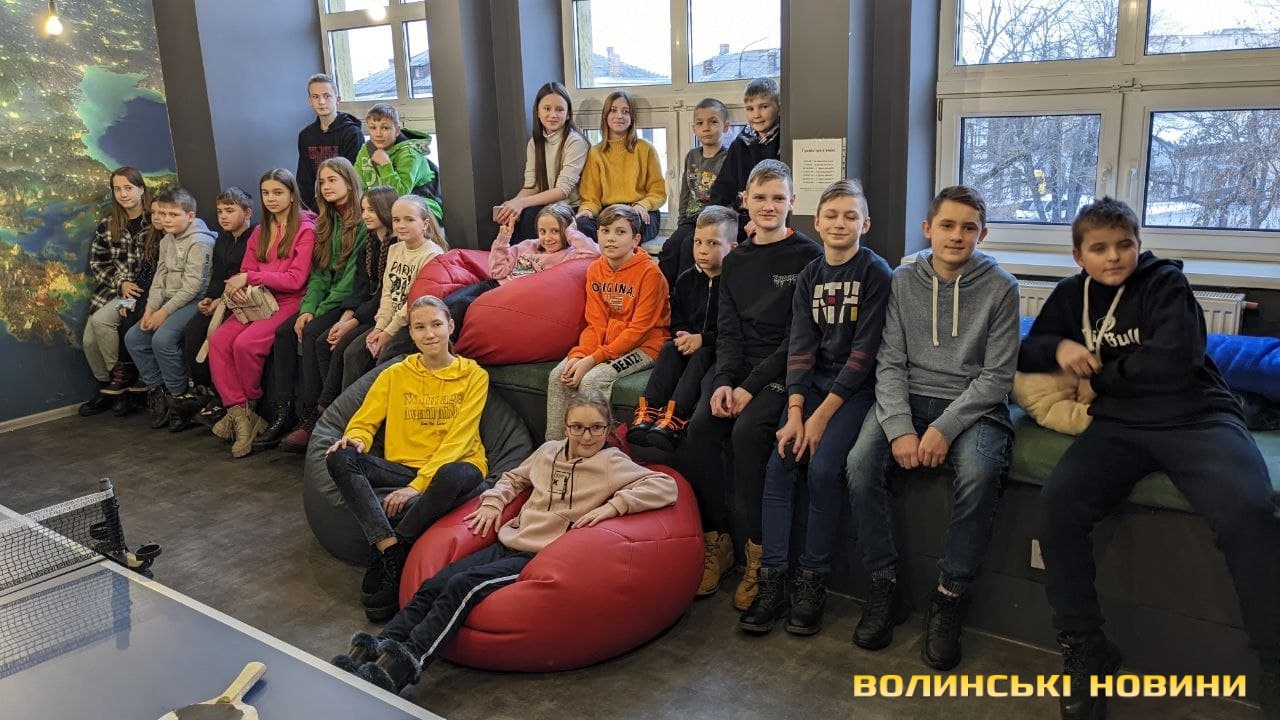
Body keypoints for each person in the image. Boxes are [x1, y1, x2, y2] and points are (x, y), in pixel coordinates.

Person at [1018, 197, 1280, 720]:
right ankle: (1085, 645)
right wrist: (1060, 350)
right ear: (1079, 256)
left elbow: (1174, 363)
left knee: (1249, 511)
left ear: (1139, 245)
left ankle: (1273, 659)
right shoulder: (1072, 295)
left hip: (1195, 416)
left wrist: (1102, 380)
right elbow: (1029, 350)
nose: (1114, 256)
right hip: (1119, 426)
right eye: (1099, 248)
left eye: (1125, 245)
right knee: (1059, 506)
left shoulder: (1166, 285)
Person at [330, 389, 677, 694]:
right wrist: (494, 502)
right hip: (509, 540)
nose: (587, 436)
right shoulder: (548, 452)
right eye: (578, 427)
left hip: (539, 556)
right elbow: (513, 478)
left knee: (463, 586)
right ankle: (377, 646)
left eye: (596, 428)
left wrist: (613, 507)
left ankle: (409, 660)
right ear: (565, 427)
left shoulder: (611, 462)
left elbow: (665, 486)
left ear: (608, 427)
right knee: (435, 583)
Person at [844, 185, 1019, 671]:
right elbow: (889, 362)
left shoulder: (1003, 287)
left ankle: (949, 596)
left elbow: (997, 378)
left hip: (973, 404)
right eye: (947, 225)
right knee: (859, 463)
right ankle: (884, 585)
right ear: (928, 229)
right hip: (907, 394)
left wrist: (943, 428)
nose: (957, 236)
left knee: (981, 473)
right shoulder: (903, 280)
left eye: (969, 228)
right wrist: (900, 427)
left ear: (983, 234)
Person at [739, 179, 891, 637]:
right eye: (832, 216)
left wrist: (820, 419)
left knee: (824, 469)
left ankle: (812, 580)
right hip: (811, 388)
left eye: (850, 216)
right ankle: (773, 579)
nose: (840, 224)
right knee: (780, 462)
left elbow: (864, 356)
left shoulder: (875, 273)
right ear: (817, 222)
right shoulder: (810, 276)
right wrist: (796, 413)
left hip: (854, 392)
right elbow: (801, 348)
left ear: (865, 223)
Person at [677, 159, 821, 611]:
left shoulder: (809, 257)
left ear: (792, 202)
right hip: (737, 366)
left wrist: (749, 388)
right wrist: (723, 381)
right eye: (760, 197)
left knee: (746, 434)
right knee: (700, 429)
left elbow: (798, 339)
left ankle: (759, 556)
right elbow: (729, 332)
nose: (769, 206)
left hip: (784, 370)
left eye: (778, 198)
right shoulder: (736, 260)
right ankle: (717, 541)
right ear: (745, 201)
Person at [324, 295, 490, 623]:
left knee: (450, 475)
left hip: (458, 466)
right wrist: (356, 438)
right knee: (339, 456)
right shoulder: (395, 373)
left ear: (450, 326)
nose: (429, 334)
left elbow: (459, 440)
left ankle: (397, 544)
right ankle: (390, 549)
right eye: (420, 327)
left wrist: (416, 487)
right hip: (402, 467)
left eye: (436, 325)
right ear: (411, 333)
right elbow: (364, 420)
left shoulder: (474, 375)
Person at [257, 158, 366, 452]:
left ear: (349, 182)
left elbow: (350, 279)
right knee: (286, 332)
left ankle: (314, 417)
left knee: (313, 333)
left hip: (347, 300)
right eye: (322, 181)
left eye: (333, 180)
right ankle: (285, 412)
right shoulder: (325, 222)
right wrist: (307, 309)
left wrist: (317, 312)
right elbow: (318, 275)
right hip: (324, 299)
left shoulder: (362, 221)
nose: (326, 186)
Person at [207, 169, 317, 458]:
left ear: (292, 195)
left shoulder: (306, 229)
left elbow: (295, 279)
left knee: (245, 344)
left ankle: (246, 408)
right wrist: (241, 286)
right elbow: (246, 269)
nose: (271, 198)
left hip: (288, 301)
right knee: (218, 341)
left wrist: (251, 278)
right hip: (256, 299)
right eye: (266, 193)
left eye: (278, 192)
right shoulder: (260, 230)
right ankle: (241, 414)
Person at [545, 204, 669, 441]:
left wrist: (593, 360)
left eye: (620, 232)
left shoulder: (650, 274)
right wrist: (580, 355)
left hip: (646, 346)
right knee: (560, 375)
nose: (611, 238)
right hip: (608, 343)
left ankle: (594, 448)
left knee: (593, 379)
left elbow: (639, 330)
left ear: (636, 240)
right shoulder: (595, 270)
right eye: (605, 231)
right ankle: (554, 449)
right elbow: (595, 323)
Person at [629, 204, 736, 453]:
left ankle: (675, 417)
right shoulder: (687, 278)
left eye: (713, 243)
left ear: (732, 248)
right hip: (688, 341)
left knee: (701, 356)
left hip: (714, 347)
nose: (703, 250)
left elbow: (732, 329)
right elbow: (677, 316)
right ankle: (648, 410)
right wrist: (684, 335)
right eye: (698, 242)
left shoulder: (735, 282)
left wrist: (702, 339)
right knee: (669, 349)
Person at [123, 187, 215, 431]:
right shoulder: (166, 240)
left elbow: (194, 287)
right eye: (162, 214)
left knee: (162, 340)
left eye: (173, 214)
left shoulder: (200, 242)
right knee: (134, 337)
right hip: (168, 301)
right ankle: (159, 391)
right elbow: (159, 279)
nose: (166, 219)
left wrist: (163, 313)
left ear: (190, 216)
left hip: (194, 301)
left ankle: (179, 397)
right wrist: (151, 309)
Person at [443, 202, 598, 335]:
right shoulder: (528, 245)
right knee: (444, 303)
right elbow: (497, 272)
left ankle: (444, 345)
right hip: (493, 285)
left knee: (461, 305)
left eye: (555, 231)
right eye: (542, 231)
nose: (547, 238)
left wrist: (572, 232)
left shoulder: (569, 256)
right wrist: (503, 240)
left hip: (508, 297)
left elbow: (595, 253)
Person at [341, 194, 447, 385]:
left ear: (425, 224)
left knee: (384, 360)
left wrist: (388, 333)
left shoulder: (432, 255)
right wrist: (379, 327)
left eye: (409, 220)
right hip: (390, 322)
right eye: (396, 220)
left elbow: (414, 304)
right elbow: (388, 295)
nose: (401, 225)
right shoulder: (395, 249)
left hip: (412, 323)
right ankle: (354, 404)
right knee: (353, 353)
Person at [79, 167, 152, 416]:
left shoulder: (155, 222)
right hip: (112, 290)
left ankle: (122, 383)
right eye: (117, 189)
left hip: (140, 291)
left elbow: (154, 264)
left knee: (101, 322)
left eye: (128, 188)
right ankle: (108, 387)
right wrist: (120, 282)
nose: (123, 194)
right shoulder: (108, 225)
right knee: (89, 342)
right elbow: (98, 263)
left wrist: (129, 286)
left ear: (141, 189)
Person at [317, 186, 397, 409]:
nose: (366, 215)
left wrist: (351, 323)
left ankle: (336, 410)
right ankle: (327, 406)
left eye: (372, 209)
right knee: (324, 341)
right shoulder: (368, 246)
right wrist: (343, 321)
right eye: (363, 210)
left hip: (381, 313)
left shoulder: (396, 246)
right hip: (365, 310)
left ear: (386, 210)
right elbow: (360, 290)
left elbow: (383, 296)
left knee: (347, 349)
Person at [183, 187, 256, 429]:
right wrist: (209, 298)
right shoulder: (222, 239)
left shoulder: (254, 237)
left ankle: (224, 400)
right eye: (220, 211)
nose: (223, 216)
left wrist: (222, 301)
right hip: (219, 300)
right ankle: (207, 391)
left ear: (247, 213)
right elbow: (217, 276)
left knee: (217, 338)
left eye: (229, 210)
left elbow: (246, 276)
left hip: (242, 301)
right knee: (193, 332)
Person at [494, 81, 590, 242]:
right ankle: (515, 258)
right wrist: (513, 204)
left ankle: (533, 258)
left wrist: (522, 203)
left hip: (571, 207)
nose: (553, 115)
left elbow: (562, 191)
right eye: (547, 108)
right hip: (549, 206)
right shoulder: (534, 143)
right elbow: (533, 186)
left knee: (530, 215)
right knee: (512, 217)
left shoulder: (575, 142)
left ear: (568, 114)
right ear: (537, 112)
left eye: (559, 110)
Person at [574, 91, 667, 243]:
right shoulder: (595, 153)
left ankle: (615, 244)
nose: (619, 116)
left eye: (625, 112)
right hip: (609, 212)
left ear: (632, 118)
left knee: (631, 226)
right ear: (606, 116)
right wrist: (587, 210)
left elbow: (658, 192)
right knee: (581, 224)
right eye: (613, 110)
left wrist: (642, 205)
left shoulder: (646, 149)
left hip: (638, 211)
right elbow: (591, 197)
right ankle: (615, 245)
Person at [657, 98, 729, 287]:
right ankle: (663, 294)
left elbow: (728, 197)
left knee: (689, 248)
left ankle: (684, 295)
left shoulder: (728, 158)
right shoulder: (692, 156)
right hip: (690, 220)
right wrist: (682, 221)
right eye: (700, 123)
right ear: (694, 128)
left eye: (713, 122)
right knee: (670, 247)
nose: (706, 128)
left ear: (725, 127)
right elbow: (685, 192)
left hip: (712, 221)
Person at [706, 78, 781, 243]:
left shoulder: (784, 142)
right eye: (750, 109)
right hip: (739, 219)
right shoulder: (740, 143)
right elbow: (722, 188)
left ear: (779, 107)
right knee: (691, 242)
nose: (756, 115)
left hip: (771, 218)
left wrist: (760, 220)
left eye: (764, 107)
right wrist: (714, 218)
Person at [353, 104, 443, 220]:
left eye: (385, 128)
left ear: (397, 130)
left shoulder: (410, 154)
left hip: (422, 207)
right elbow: (357, 186)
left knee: (401, 211)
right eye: (373, 128)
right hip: (382, 207)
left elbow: (400, 195)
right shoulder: (366, 150)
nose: (378, 134)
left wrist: (385, 166)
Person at [297, 73, 362, 212]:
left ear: (337, 100)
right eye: (315, 97)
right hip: (319, 206)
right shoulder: (305, 136)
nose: (321, 102)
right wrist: (310, 211)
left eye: (327, 96)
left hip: (348, 205)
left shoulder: (352, 133)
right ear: (310, 100)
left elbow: (353, 177)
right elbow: (304, 180)